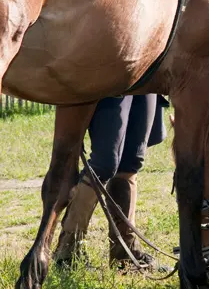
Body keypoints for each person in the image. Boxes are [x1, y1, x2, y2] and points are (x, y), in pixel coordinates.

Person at [52, 93, 170, 271]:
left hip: (147, 76)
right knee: (105, 163)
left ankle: (125, 254)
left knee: (131, 162)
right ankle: (68, 251)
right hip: (110, 76)